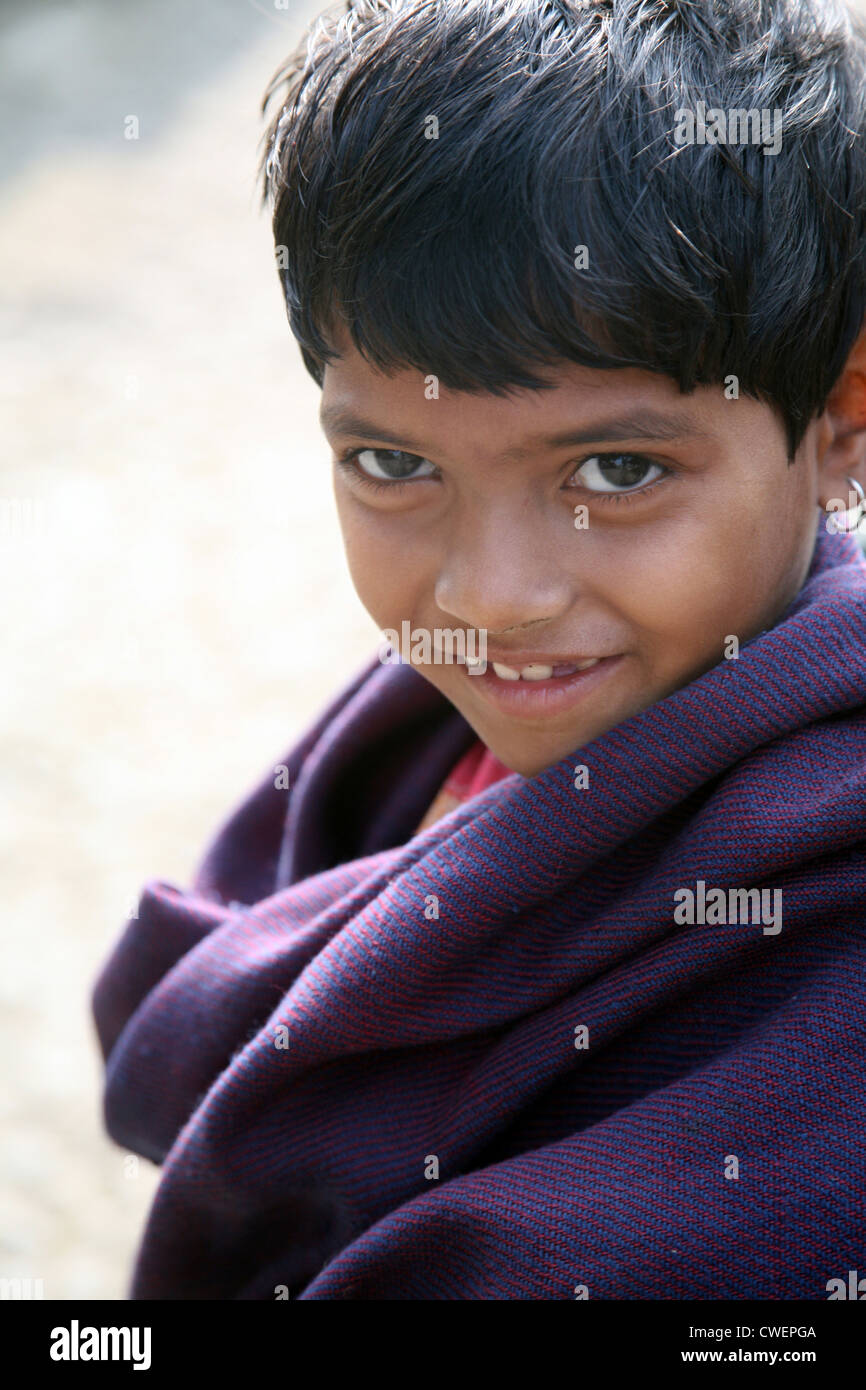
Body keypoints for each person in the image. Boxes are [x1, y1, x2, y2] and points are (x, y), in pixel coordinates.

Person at [92, 0, 866, 1299]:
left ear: (840, 419)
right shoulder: (447, 719)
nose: (489, 595)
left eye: (615, 470)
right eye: (392, 463)